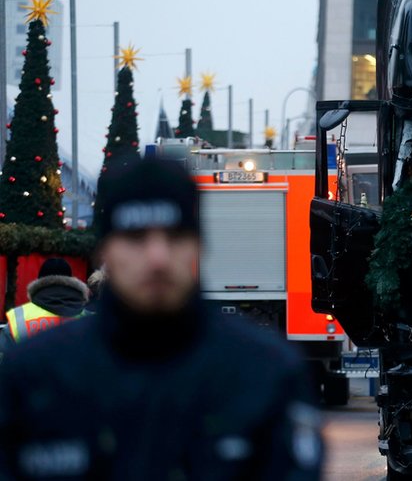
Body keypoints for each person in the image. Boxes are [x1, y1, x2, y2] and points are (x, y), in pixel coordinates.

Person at [0, 158, 323, 479]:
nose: (158, 258)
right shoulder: (34, 378)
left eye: (174, 236)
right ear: (104, 252)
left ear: (199, 245)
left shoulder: (267, 376)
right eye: (136, 237)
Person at [0, 257, 89, 353]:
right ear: (72, 283)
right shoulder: (91, 320)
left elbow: (3, 359)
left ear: (38, 283)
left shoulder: (19, 319)